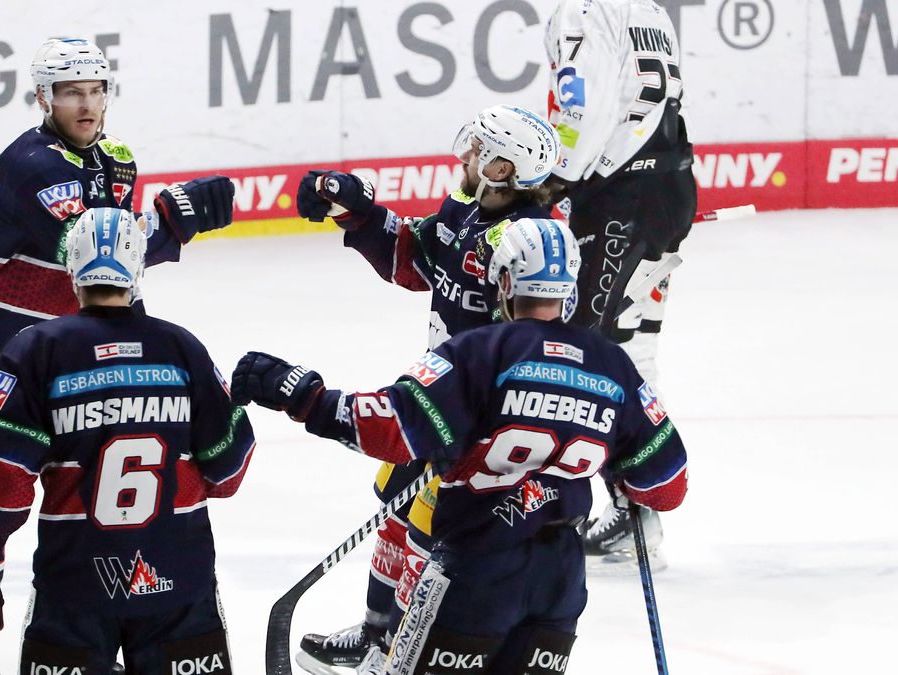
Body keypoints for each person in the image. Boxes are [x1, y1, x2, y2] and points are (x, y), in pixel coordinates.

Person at [231, 218, 688, 674]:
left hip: (477, 567)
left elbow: (389, 427)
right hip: (561, 580)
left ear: (505, 279)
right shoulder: (613, 365)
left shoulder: (480, 350)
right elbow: (667, 486)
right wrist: (612, 462)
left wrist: (303, 396)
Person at [0, 37, 237, 672]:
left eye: (95, 91)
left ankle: (72, 608)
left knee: (86, 490)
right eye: (71, 92)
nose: (86, 104)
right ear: (43, 97)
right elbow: (91, 244)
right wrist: (176, 219)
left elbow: (117, 259)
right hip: (4, 358)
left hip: (81, 361)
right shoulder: (29, 163)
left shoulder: (119, 161)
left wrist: (165, 222)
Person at [290, 105, 562, 672]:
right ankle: (375, 633)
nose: (465, 156)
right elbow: (415, 261)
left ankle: (399, 652)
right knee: (394, 510)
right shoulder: (467, 210)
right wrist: (357, 213)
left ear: (502, 167)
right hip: (437, 392)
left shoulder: (521, 243)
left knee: (426, 533)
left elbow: (532, 340)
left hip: (475, 418)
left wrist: (472, 423)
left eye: (478, 150)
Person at [0, 207, 255, 675]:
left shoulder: (35, 351)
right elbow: (228, 472)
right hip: (179, 586)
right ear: (138, 269)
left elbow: (3, 490)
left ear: (72, 268)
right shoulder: (181, 349)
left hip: (75, 591)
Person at [542, 0, 697, 563]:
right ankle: (637, 508)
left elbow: (581, 108)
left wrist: (551, 181)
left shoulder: (580, 13)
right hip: (668, 192)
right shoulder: (650, 11)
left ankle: (624, 508)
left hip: (618, 208)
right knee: (634, 351)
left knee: (580, 353)